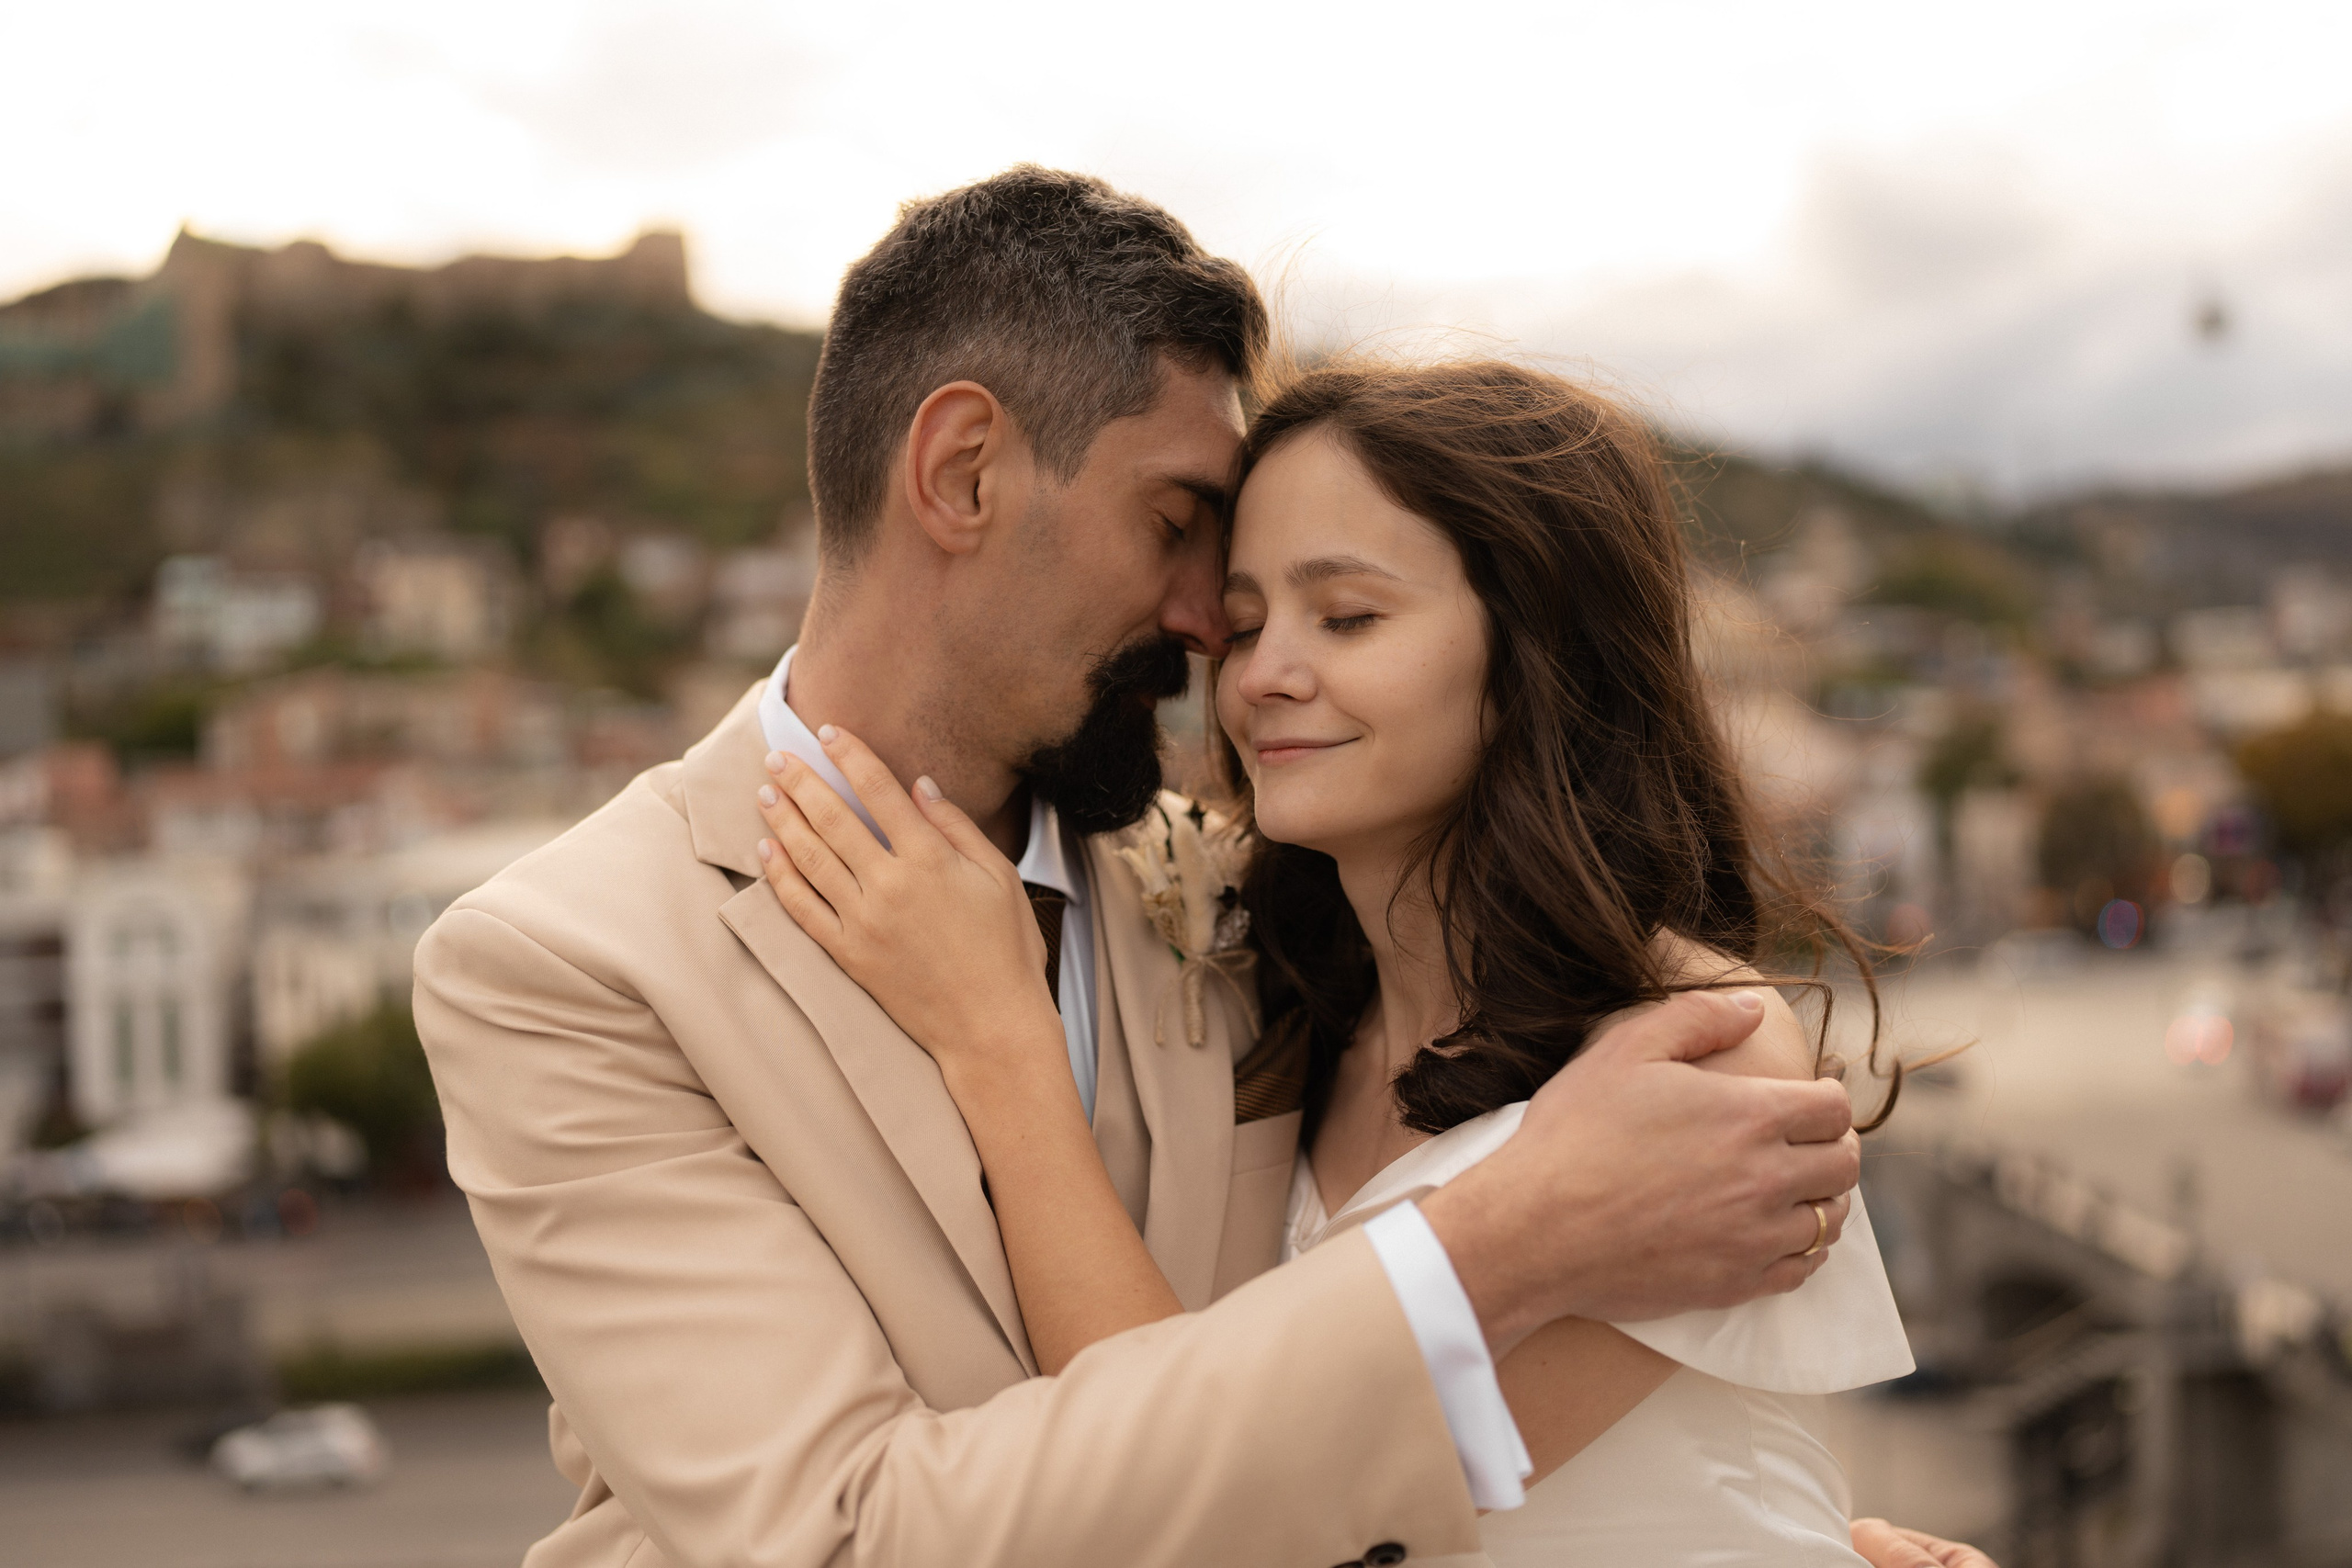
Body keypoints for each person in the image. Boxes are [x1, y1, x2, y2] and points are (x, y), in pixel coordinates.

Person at [413, 166, 1962, 1568]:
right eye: (1182, 532)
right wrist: (1512, 1240)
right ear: (961, 474)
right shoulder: (573, 963)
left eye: (1328, 612)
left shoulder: (1260, 895)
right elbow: (839, 1540)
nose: (1220, 635)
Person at [748, 355, 1970, 1564]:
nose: (1264, 674)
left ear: (1531, 656)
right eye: (1244, 623)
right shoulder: (1281, 1030)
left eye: (1348, 616)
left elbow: (1221, 1522)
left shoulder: (1699, 1047)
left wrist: (996, 1035)